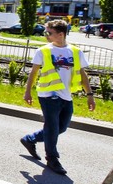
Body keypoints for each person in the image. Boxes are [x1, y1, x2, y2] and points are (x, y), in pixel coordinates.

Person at [20, 19, 95, 175]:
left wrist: (90, 95)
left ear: (61, 34)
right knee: (52, 126)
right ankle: (52, 159)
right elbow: (33, 73)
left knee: (61, 127)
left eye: (49, 33)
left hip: (66, 95)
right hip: (48, 94)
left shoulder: (75, 52)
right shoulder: (43, 51)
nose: (46, 36)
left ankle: (30, 139)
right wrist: (27, 92)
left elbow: (82, 75)